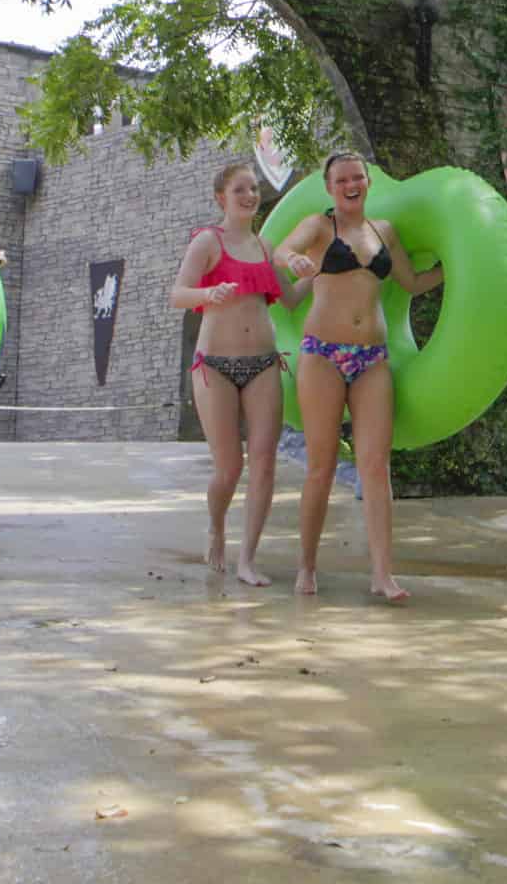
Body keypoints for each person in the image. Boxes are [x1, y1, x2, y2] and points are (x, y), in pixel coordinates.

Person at [276, 151, 442, 602]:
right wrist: (294, 261)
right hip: (322, 355)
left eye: (358, 178)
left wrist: (456, 270)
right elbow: (281, 248)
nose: (351, 185)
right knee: (322, 467)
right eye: (342, 179)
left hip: (372, 357)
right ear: (331, 188)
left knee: (375, 466)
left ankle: (382, 573)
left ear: (368, 183)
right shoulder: (318, 225)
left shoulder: (383, 231)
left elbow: (410, 282)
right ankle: (306, 566)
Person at [169, 161, 289, 587]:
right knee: (229, 468)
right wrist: (208, 292)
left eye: (254, 189)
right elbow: (177, 294)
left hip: (263, 363)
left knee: (264, 462)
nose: (250, 196)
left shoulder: (265, 245)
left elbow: (291, 299)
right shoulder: (208, 241)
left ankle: (248, 559)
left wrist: (321, 271)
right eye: (240, 189)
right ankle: (217, 526)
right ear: (222, 197)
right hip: (214, 366)